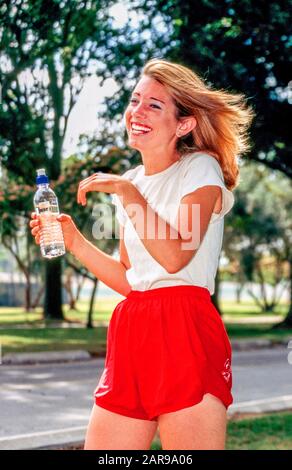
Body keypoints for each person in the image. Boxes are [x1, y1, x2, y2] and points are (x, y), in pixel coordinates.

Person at [30, 58, 254, 450]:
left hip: (185, 325)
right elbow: (130, 281)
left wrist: (129, 195)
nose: (137, 112)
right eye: (135, 100)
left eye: (154, 105)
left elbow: (175, 257)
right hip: (133, 330)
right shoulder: (130, 182)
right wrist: (76, 242)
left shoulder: (200, 169)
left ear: (183, 124)